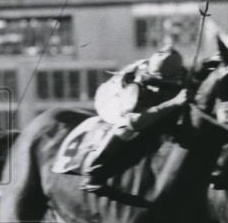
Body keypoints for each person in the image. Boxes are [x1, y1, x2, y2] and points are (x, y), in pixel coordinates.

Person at [80, 47, 189, 194]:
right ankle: (93, 170)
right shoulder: (135, 85)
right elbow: (135, 121)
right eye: (161, 84)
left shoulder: (177, 73)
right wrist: (174, 102)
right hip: (115, 103)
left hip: (149, 100)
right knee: (126, 129)